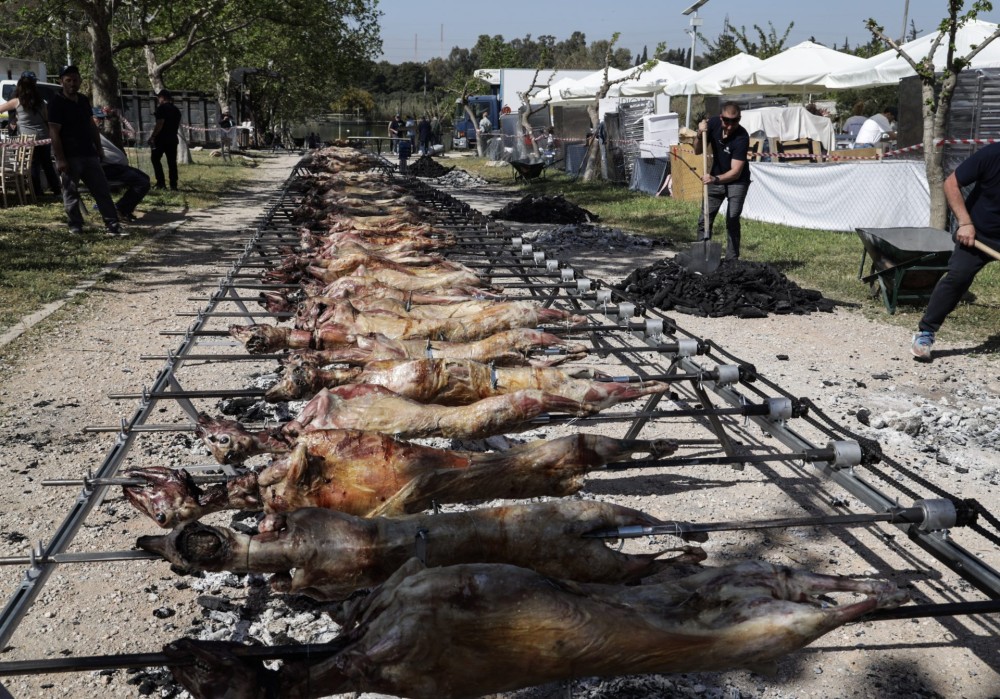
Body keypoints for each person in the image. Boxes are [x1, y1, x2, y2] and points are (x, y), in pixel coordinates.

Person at [911, 145, 1000, 361]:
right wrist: (965, 222)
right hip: (977, 234)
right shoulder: (992, 155)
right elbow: (951, 183)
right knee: (958, 277)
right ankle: (926, 332)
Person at [47, 65, 122, 236]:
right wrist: (60, 158)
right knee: (71, 192)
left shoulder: (82, 100)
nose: (72, 84)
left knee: (101, 190)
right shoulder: (56, 103)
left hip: (89, 154)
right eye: (68, 80)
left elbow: (91, 125)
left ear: (80, 81)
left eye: (75, 80)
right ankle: (76, 225)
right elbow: (53, 132)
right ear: (61, 82)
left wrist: (99, 147)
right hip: (69, 156)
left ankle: (112, 224)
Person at [694, 101, 751, 260]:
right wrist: (699, 133)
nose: (730, 125)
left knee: (732, 220)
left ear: (739, 119)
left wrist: (715, 178)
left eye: (735, 121)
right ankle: (702, 258)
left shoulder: (742, 137)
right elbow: (697, 150)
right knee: (704, 219)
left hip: (737, 181)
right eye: (727, 120)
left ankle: (731, 261)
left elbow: (736, 172)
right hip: (714, 179)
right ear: (721, 118)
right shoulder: (712, 124)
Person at [0, 70, 60, 196]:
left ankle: (37, 191)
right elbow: (46, 118)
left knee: (32, 165)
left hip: (27, 139)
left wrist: (15, 118)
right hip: (44, 136)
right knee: (47, 164)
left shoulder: (17, 102)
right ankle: (56, 189)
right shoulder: (41, 102)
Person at [92, 107, 150, 222]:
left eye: (101, 119)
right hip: (108, 168)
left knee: (144, 179)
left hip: (115, 167)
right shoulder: (88, 133)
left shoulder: (96, 132)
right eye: (97, 119)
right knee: (142, 182)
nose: (100, 122)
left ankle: (124, 209)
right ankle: (120, 209)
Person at [148, 88, 181, 190]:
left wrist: (153, 136)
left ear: (162, 97)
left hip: (161, 139)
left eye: (159, 97)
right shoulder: (176, 110)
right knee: (172, 162)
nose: (158, 99)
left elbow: (160, 123)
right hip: (172, 138)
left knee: (155, 159)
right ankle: (173, 185)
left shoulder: (161, 108)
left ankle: (161, 183)